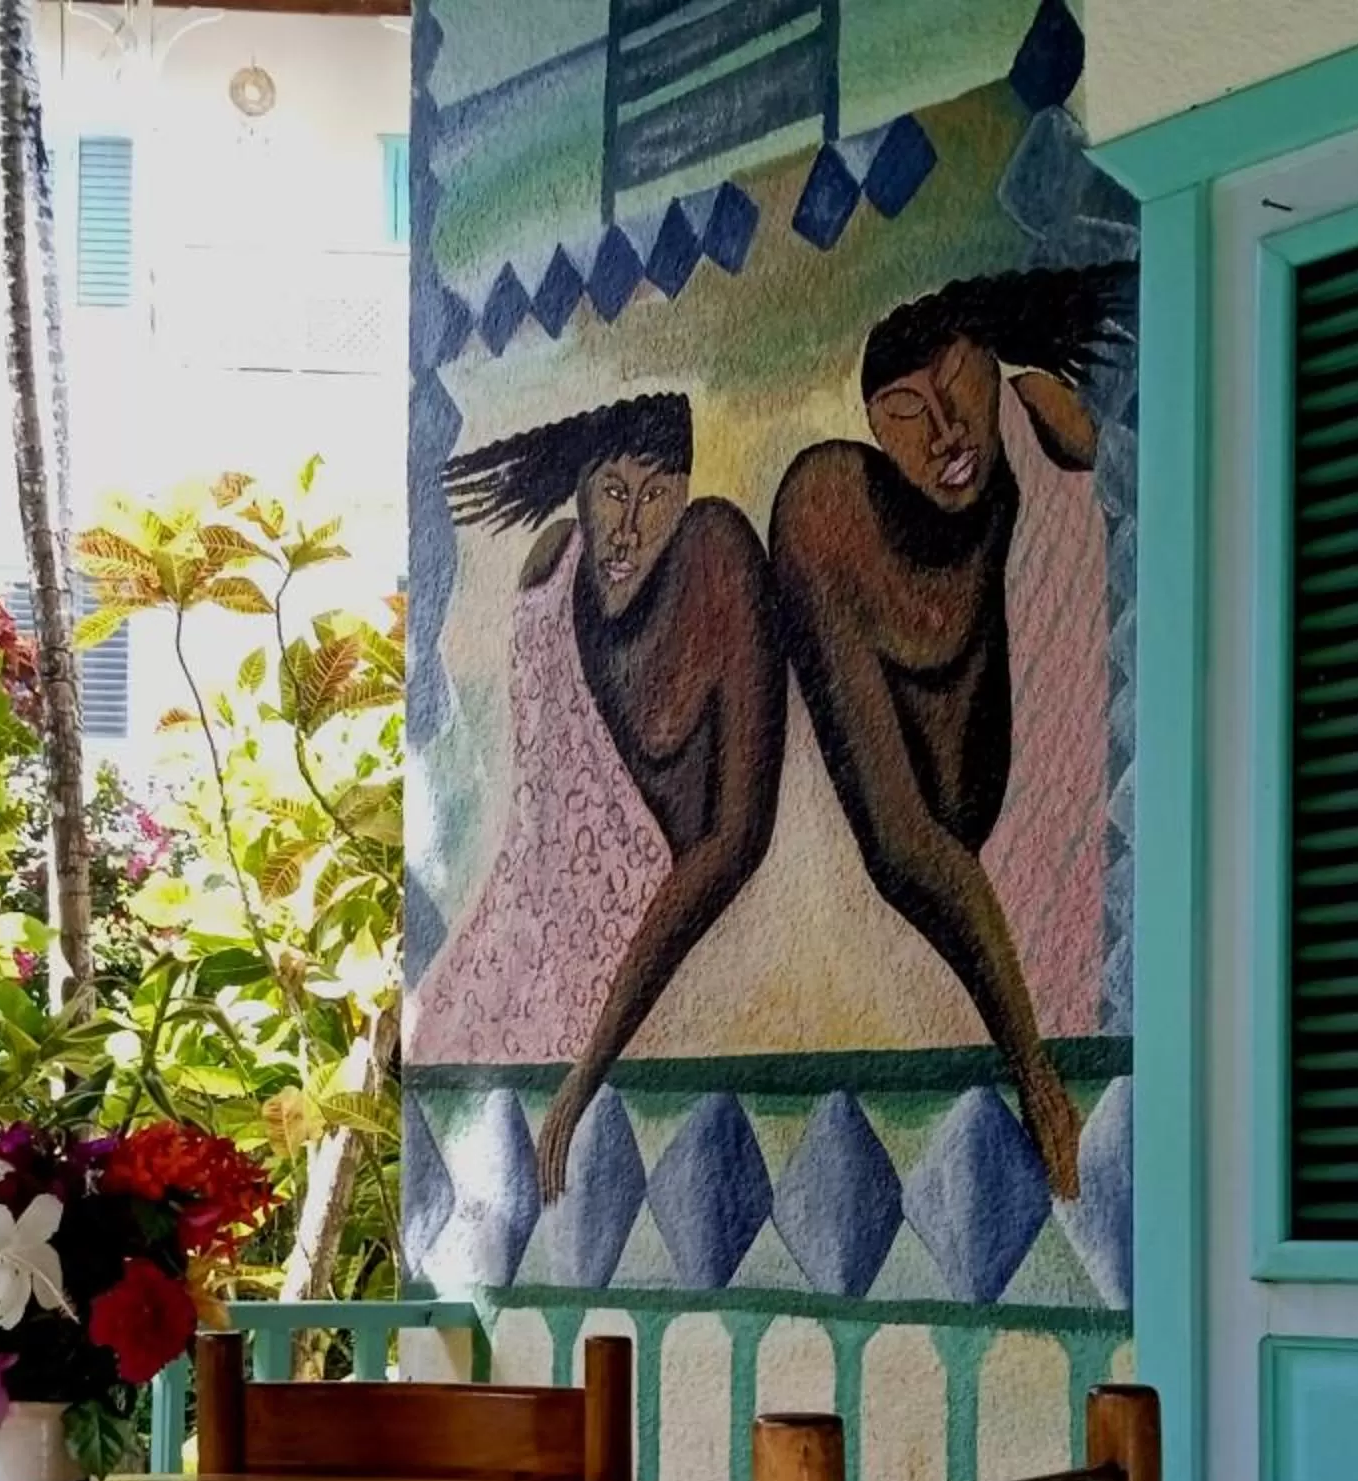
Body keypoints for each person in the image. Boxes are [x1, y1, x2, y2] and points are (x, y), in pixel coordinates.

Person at [768, 263, 1132, 1200]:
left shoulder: (1040, 454)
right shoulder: (829, 511)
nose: (942, 432)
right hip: (926, 857)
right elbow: (899, 841)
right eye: (903, 410)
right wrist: (1041, 1086)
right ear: (874, 431)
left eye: (955, 386)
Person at [431, 393, 790, 1199]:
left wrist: (586, 1072)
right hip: (511, 968)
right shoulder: (550, 571)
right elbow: (533, 823)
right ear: (583, 492)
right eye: (615, 491)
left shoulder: (716, 559)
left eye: (657, 494)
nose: (629, 526)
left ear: (687, 497)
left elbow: (736, 841)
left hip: (628, 993)